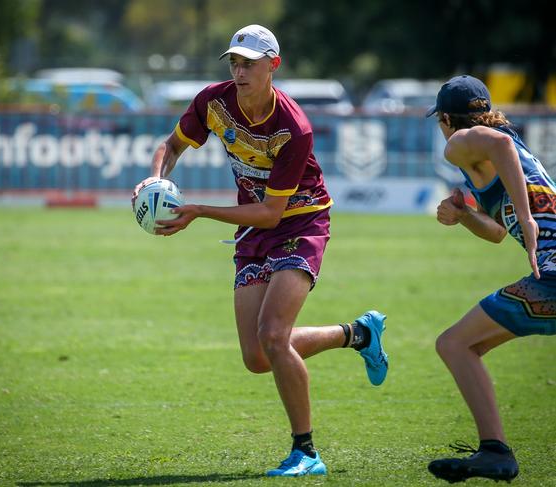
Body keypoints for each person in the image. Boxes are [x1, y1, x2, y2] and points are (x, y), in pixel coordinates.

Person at [131, 24, 389, 477]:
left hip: (301, 222)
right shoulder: (214, 101)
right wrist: (155, 180)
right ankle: (358, 334)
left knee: (273, 335)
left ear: (274, 65)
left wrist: (197, 210)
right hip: (255, 230)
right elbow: (170, 147)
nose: (239, 70)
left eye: (249, 63)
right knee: (256, 357)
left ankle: (306, 453)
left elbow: (272, 212)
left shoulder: (294, 127)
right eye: (234, 61)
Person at [426, 75, 556, 483]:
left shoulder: (462, 144)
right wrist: (465, 215)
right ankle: (493, 450)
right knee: (467, 345)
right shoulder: (503, 145)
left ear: (446, 117)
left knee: (454, 343)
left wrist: (528, 217)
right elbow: (498, 232)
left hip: (552, 277)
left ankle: (496, 451)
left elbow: (499, 152)